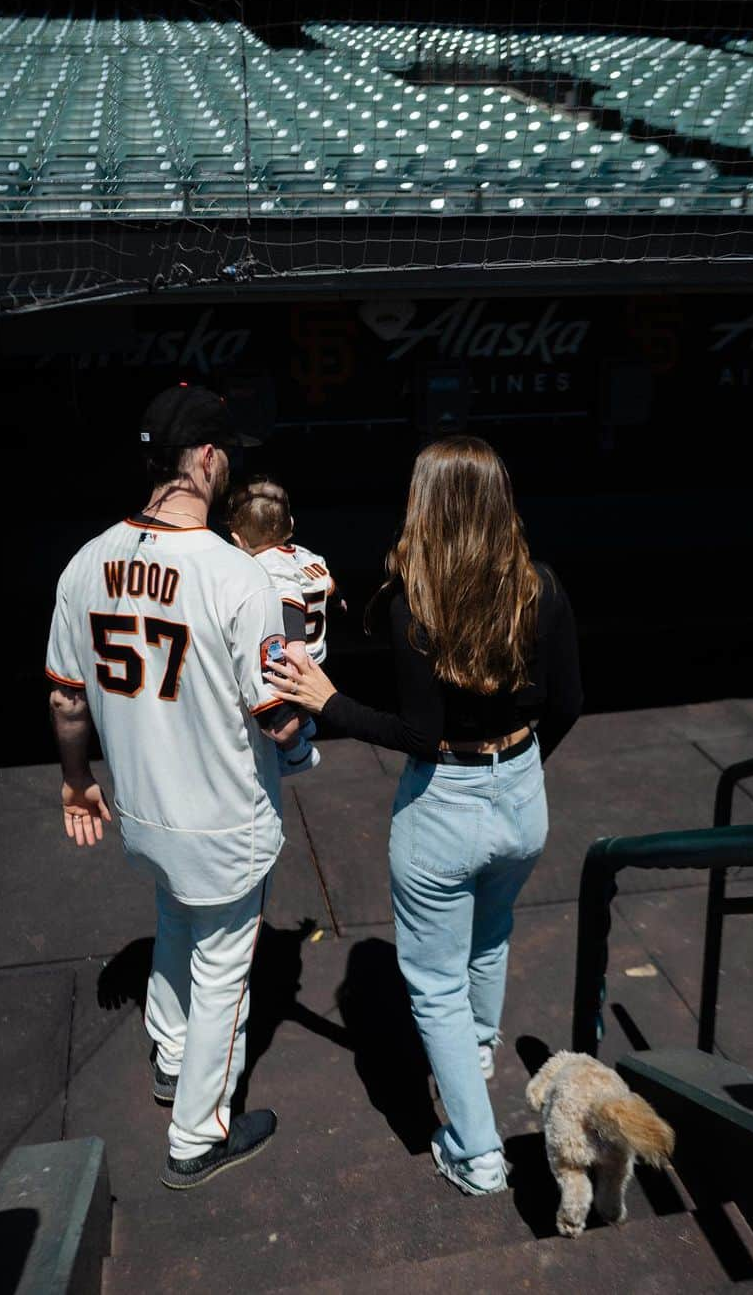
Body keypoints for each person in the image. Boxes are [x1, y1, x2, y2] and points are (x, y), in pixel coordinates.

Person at [267, 435, 582, 1196]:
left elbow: (418, 737)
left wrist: (326, 701)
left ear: (427, 507)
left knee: (433, 983)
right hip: (521, 796)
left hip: (444, 806)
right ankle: (476, 1048)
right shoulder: (541, 585)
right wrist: (514, 776)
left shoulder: (418, 602)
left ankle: (477, 1154)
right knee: (493, 929)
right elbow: (569, 704)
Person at [45, 383, 301, 1190]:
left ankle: (169, 1058)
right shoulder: (238, 577)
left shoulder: (84, 562)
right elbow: (277, 722)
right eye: (226, 456)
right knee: (225, 966)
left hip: (143, 814)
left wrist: (77, 780)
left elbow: (64, 698)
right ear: (204, 458)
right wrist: (309, 702)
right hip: (222, 820)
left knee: (171, 919)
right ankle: (197, 1134)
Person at [225, 473, 343, 776]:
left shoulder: (268, 566)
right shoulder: (308, 556)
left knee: (278, 721)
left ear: (238, 540)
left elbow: (290, 601)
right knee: (297, 708)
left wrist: (295, 649)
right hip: (318, 655)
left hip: (295, 657)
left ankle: (297, 754)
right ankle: (306, 723)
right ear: (290, 525)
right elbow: (328, 586)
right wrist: (339, 603)